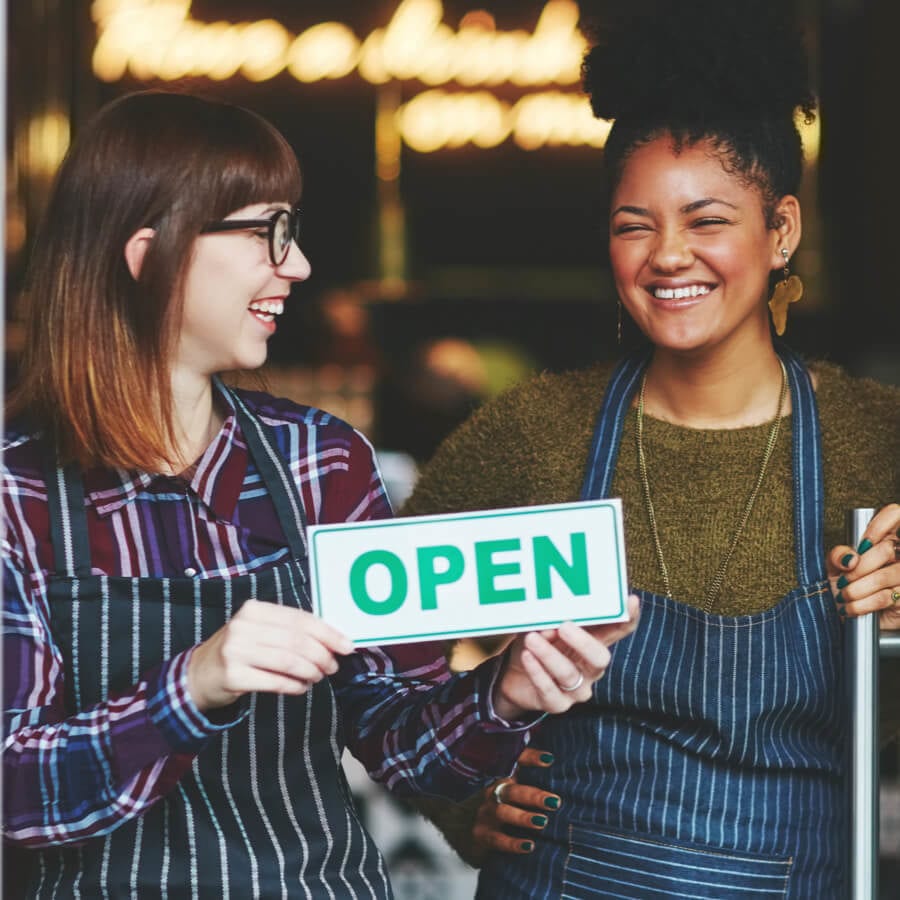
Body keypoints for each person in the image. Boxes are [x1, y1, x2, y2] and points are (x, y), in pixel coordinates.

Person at [1, 90, 639, 898]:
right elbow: (14, 795)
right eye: (266, 232)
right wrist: (193, 683)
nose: (296, 264)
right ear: (147, 251)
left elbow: (406, 750)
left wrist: (507, 690)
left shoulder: (319, 460)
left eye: (291, 232)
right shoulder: (16, 493)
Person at [400, 2, 900, 896]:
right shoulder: (533, 433)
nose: (668, 256)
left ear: (780, 229)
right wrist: (459, 791)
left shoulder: (878, 439)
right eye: (635, 224)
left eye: (706, 220)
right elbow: (370, 638)